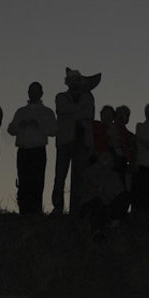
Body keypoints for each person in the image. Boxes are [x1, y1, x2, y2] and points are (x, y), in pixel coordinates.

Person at [53, 68, 99, 214]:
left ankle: (76, 209)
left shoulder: (88, 97)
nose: (74, 82)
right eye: (71, 80)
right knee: (60, 176)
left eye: (77, 79)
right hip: (65, 141)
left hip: (82, 141)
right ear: (67, 82)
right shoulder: (61, 96)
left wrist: (72, 111)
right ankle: (58, 207)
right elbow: (61, 109)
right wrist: (79, 111)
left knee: (79, 177)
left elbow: (89, 113)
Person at [7, 82, 57, 215]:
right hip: (23, 150)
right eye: (31, 90)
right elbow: (11, 129)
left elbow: (54, 130)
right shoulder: (21, 111)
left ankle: (35, 212)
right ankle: (23, 211)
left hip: (38, 151)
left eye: (36, 90)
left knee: (37, 181)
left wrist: (39, 125)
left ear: (41, 93)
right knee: (23, 181)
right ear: (28, 92)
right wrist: (20, 125)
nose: (33, 93)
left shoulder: (47, 112)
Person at [79, 151, 130, 236]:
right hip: (91, 205)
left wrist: (102, 190)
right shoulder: (90, 171)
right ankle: (97, 231)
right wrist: (96, 190)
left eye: (110, 160)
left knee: (126, 196)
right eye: (104, 158)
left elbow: (119, 193)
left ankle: (114, 222)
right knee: (97, 201)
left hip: (107, 206)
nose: (107, 161)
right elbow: (82, 188)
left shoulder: (114, 176)